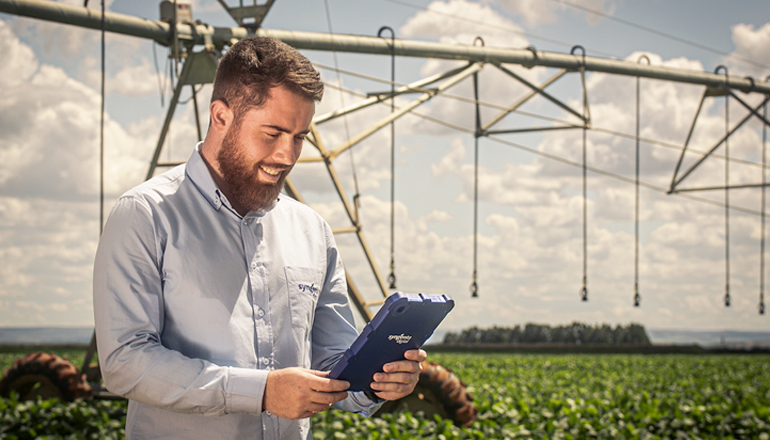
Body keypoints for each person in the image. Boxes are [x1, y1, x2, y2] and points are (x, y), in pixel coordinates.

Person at [93, 37, 426, 440]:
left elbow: (336, 364)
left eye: (300, 137)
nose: (287, 155)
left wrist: (377, 381)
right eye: (272, 133)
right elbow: (124, 363)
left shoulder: (312, 231)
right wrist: (261, 392)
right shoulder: (146, 214)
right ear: (220, 116)